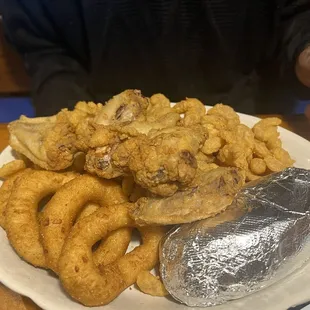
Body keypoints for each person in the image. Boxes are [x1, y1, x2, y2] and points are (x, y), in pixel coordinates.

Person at [2, 0, 310, 116]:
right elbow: (45, 46)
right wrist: (74, 130)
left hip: (254, 116)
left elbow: (296, 14)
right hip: (102, 117)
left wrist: (304, 49)